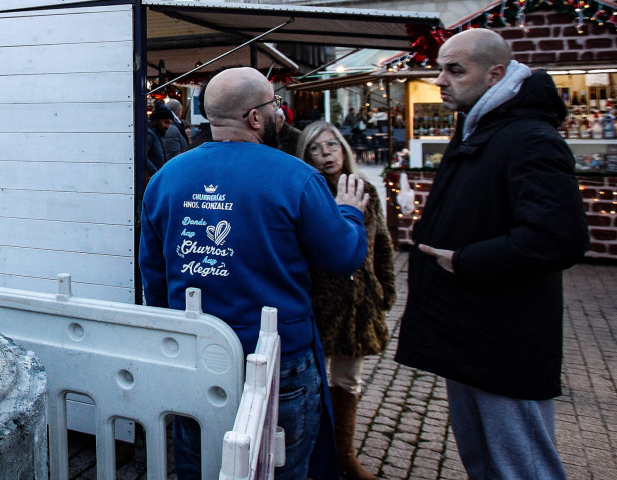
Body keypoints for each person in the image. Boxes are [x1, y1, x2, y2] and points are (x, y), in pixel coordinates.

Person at [140, 67, 369, 480]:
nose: (280, 114)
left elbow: (153, 275)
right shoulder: (296, 177)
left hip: (198, 352)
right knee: (282, 467)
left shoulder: (165, 179)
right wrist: (351, 212)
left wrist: (170, 336)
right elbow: (343, 256)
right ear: (256, 117)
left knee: (201, 463)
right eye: (274, 106)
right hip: (278, 357)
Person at [395, 28, 588, 480]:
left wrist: (464, 261)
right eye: (440, 68)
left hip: (502, 337)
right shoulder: (480, 126)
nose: (440, 80)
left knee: (521, 466)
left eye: (455, 70)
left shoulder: (529, 138)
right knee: (485, 461)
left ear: (495, 74)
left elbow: (558, 237)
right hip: (469, 329)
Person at [298, 121, 396, 480]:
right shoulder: (307, 192)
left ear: (344, 149)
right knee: (313, 382)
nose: (326, 154)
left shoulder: (365, 189)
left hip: (359, 303)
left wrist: (384, 288)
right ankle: (312, 455)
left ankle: (345, 454)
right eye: (316, 148)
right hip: (320, 305)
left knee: (348, 382)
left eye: (331, 146)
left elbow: (381, 243)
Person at [145, 102, 172, 178]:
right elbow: (143, 156)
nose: (168, 126)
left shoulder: (155, 134)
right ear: (157, 119)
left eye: (170, 123)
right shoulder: (150, 134)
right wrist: (156, 173)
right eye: (166, 122)